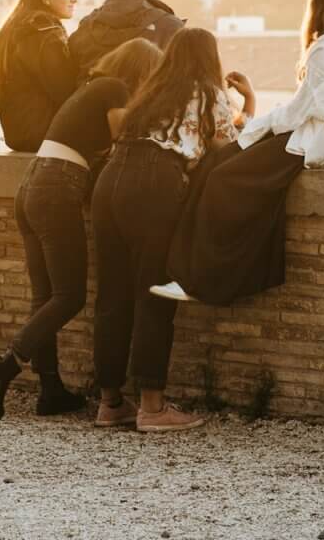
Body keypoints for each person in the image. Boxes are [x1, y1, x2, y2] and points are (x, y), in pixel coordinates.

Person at [156, 0, 324, 308]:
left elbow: (300, 110)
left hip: (318, 142)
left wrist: (257, 128)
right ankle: (192, 276)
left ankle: (204, 281)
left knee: (223, 177)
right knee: (221, 162)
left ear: (319, 4)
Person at [0, 39, 162, 421]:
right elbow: (123, 140)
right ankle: (5, 365)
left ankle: (51, 391)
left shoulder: (90, 88)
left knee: (45, 296)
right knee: (69, 295)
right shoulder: (115, 88)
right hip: (57, 187)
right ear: (141, 70)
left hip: (32, 186)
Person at [89, 28, 252, 432]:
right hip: (154, 182)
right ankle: (152, 406)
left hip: (110, 181)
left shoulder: (150, 91)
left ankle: (110, 403)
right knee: (155, 291)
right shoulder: (208, 91)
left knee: (111, 293)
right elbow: (228, 146)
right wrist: (248, 103)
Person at [0, 0, 79, 153]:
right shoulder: (44, 31)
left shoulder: (14, 28)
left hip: (16, 135)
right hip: (43, 134)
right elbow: (64, 90)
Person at [68, 0, 184, 76]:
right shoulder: (173, 27)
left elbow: (70, 69)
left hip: (93, 93)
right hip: (146, 94)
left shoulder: (87, 24)